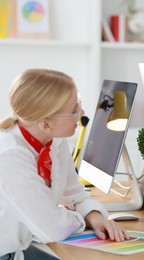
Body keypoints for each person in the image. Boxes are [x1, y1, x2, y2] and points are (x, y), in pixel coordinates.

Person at [0, 69, 130, 259]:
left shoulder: (54, 140)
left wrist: (95, 218)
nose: (82, 113)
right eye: (73, 111)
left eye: (79, 104)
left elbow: (74, 195)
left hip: (28, 244)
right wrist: (78, 218)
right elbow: (53, 228)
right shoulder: (9, 156)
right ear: (46, 124)